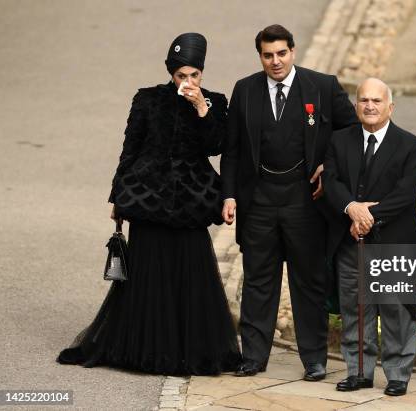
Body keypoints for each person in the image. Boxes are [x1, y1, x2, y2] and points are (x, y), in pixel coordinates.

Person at [57, 33, 241, 375]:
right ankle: (143, 348)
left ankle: (187, 350)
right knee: (147, 274)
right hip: (148, 201)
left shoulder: (215, 102)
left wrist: (201, 107)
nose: (187, 81)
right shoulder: (147, 100)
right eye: (181, 75)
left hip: (191, 205)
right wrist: (118, 197)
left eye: (194, 75)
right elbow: (130, 149)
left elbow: (216, 146)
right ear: (170, 73)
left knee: (190, 274)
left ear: (202, 74)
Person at [220, 24, 358, 380]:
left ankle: (314, 359)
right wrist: (230, 194)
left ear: (293, 52)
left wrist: (330, 163)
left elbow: (352, 131)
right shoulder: (245, 90)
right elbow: (232, 150)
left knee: (309, 281)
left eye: (281, 53)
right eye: (268, 55)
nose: (275, 61)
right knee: (257, 281)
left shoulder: (322, 86)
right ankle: (253, 356)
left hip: (305, 201)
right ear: (261, 57)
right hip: (260, 200)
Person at [323, 78, 416, 396]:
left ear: (390, 107)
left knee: (395, 309)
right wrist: (351, 207)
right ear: (356, 105)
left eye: (376, 101)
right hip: (351, 242)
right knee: (356, 308)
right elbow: (332, 181)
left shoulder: (410, 144)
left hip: (395, 241)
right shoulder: (339, 141)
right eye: (364, 100)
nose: (369, 106)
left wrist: (367, 217)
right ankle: (359, 372)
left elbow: (405, 194)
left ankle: (397, 374)